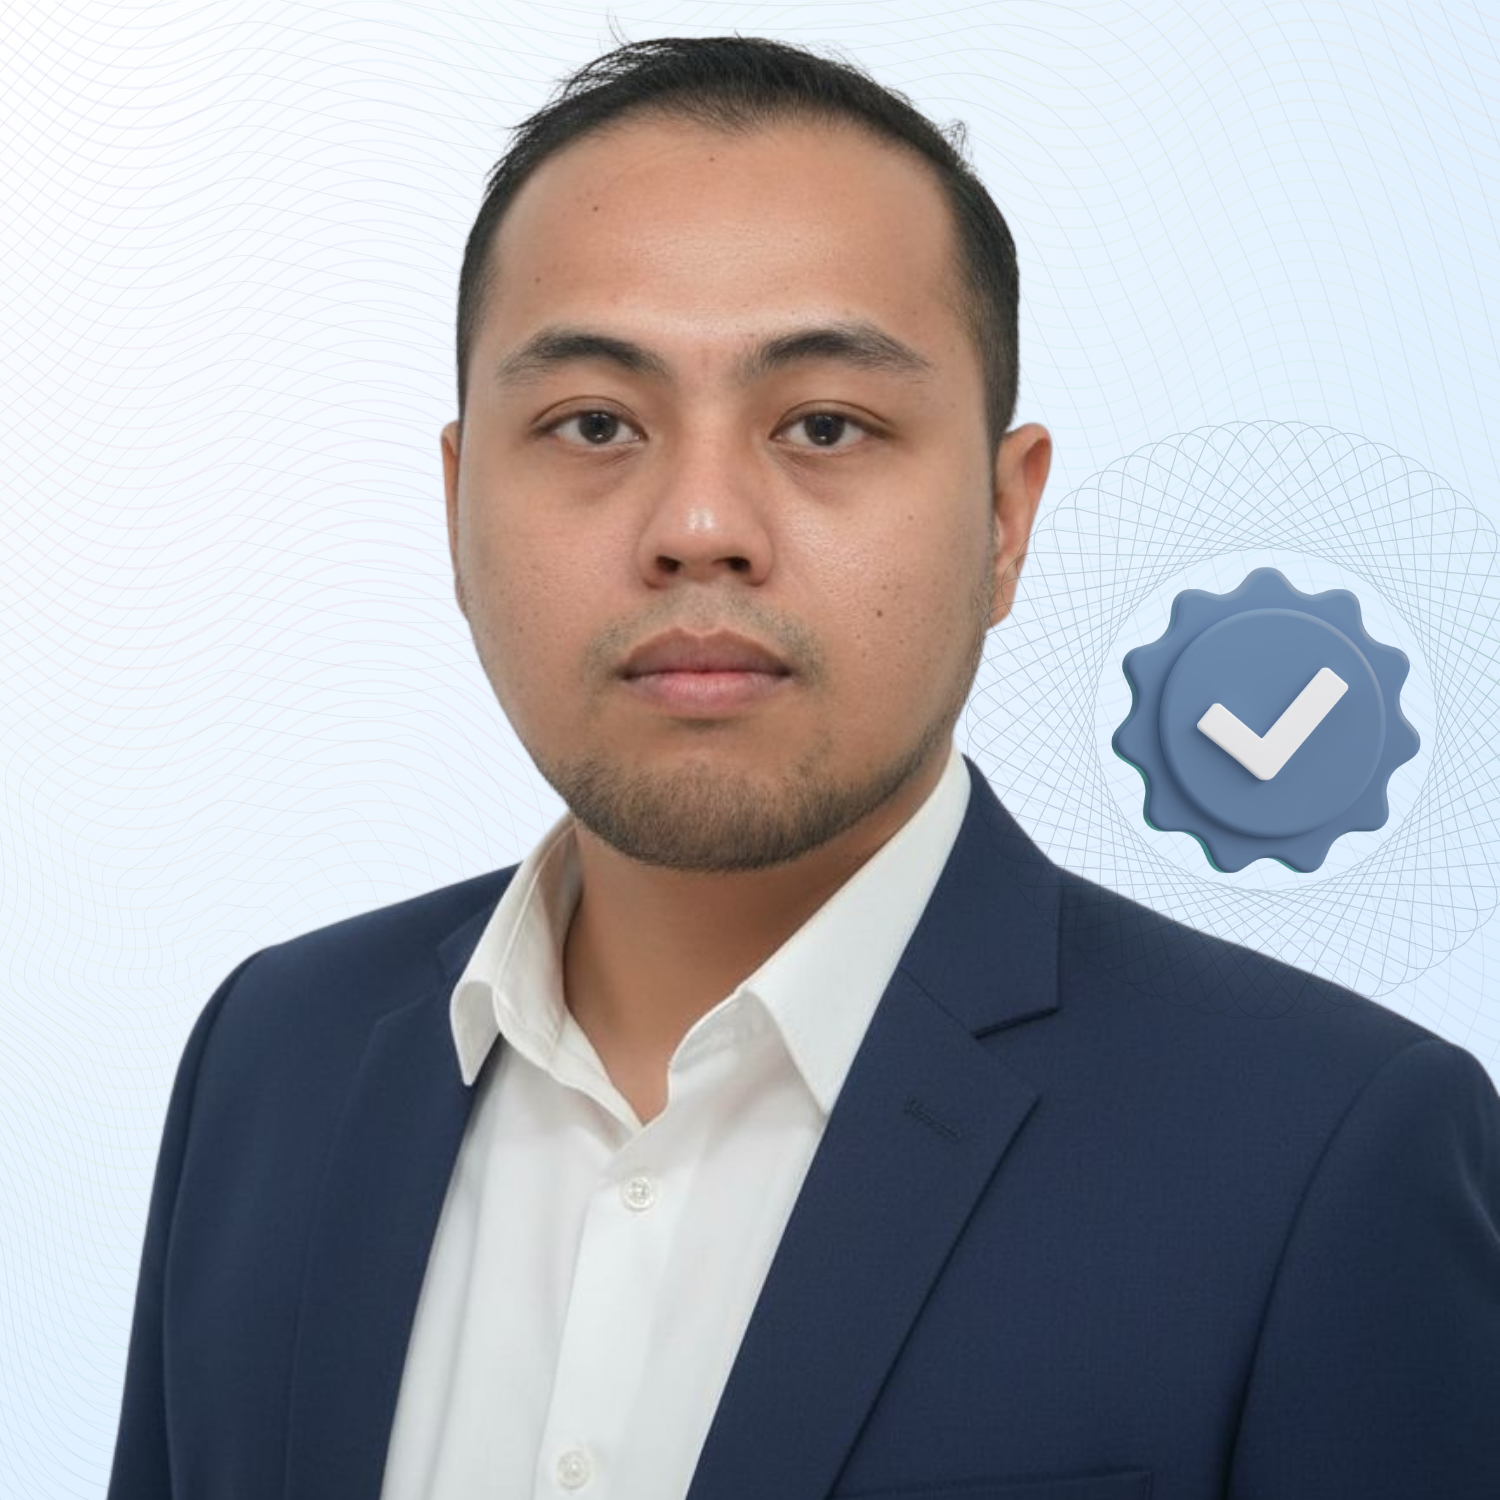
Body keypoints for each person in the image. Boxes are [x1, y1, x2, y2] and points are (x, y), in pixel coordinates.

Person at [106, 34, 1500, 1500]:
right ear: (457, 506)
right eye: (595, 424)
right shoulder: (275, 1056)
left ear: (1005, 520)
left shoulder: (1327, 1153)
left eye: (825, 425)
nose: (700, 526)